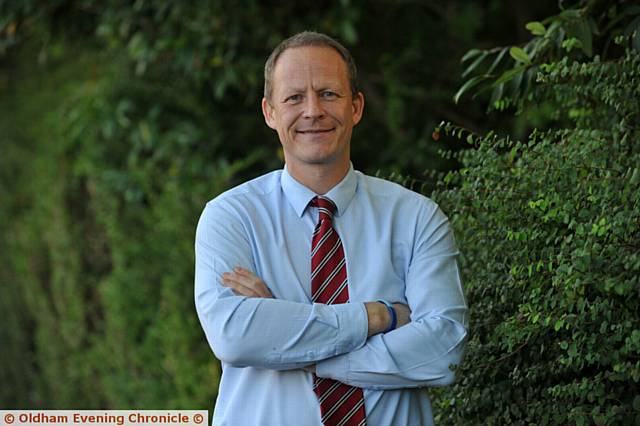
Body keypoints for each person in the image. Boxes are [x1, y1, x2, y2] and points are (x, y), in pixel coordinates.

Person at [195, 31, 468, 426]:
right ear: (270, 112)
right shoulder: (231, 217)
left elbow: (444, 350)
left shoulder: (416, 218)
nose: (312, 111)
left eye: (328, 94)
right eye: (294, 98)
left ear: (356, 106)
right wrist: (375, 319)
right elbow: (235, 336)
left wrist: (287, 337)